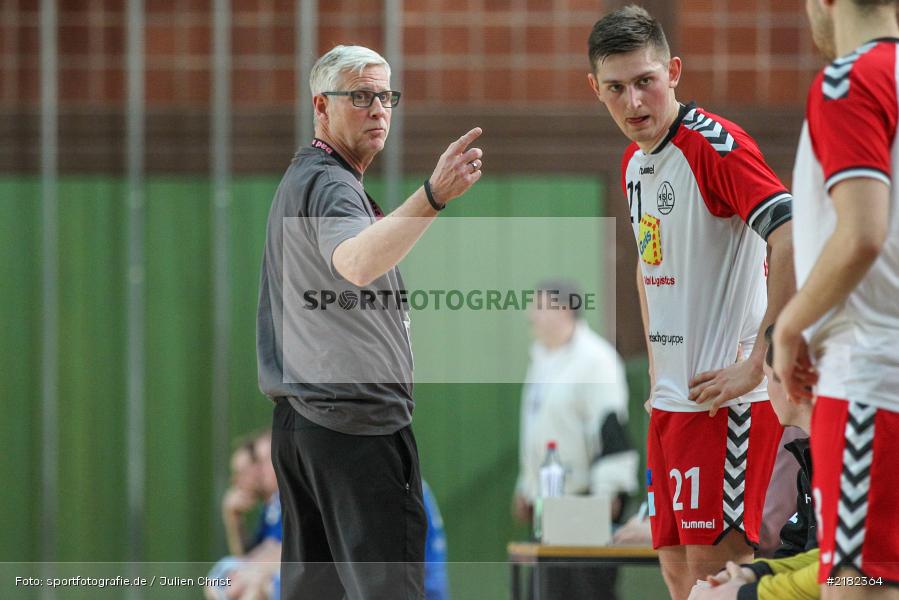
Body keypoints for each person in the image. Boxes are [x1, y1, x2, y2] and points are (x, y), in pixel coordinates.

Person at [256, 44, 483, 600]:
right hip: (354, 429)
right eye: (360, 96)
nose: (378, 108)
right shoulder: (331, 184)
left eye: (385, 97)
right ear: (321, 106)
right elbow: (356, 262)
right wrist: (433, 195)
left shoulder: (310, 178)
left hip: (306, 426)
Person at [587, 7, 795, 599]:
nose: (633, 102)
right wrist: (658, 374)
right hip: (671, 404)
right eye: (616, 88)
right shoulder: (634, 162)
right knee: (678, 573)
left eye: (645, 81)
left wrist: (758, 362)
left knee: (717, 577)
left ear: (673, 71)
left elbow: (789, 233)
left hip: (725, 407)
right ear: (595, 89)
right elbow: (647, 263)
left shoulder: (714, 147)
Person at [773, 1, 899, 598]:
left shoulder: (850, 80)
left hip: (869, 381)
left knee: (856, 584)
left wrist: (788, 327)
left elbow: (861, 233)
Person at [513, 281, 638, 600]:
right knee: (546, 591)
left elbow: (611, 428)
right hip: (550, 504)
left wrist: (608, 492)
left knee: (585, 591)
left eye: (540, 307)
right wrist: (526, 486)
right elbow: (539, 431)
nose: (532, 316)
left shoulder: (595, 359)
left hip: (586, 502)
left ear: (565, 310)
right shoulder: (542, 359)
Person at [688, 338, 818, 600]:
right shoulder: (811, 455)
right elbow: (808, 553)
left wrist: (749, 592)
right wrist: (753, 574)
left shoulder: (855, 454)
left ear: (790, 386)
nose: (764, 391)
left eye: (766, 379)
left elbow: (853, 576)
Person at [206, 431, 283, 600]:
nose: (258, 472)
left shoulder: (288, 500)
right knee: (217, 580)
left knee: (255, 587)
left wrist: (253, 567)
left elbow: (288, 550)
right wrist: (233, 518)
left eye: (263, 461)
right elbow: (245, 555)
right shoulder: (270, 507)